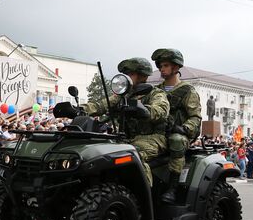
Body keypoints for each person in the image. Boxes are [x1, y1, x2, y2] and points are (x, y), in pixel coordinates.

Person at [81, 57, 169, 187]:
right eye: (126, 74)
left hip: (153, 137)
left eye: (131, 74)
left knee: (135, 154)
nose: (127, 77)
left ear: (143, 75)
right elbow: (102, 105)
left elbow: (161, 111)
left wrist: (144, 110)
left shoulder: (156, 93)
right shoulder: (123, 95)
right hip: (127, 138)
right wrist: (79, 109)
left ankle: (142, 195)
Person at [152, 48, 202, 203]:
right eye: (160, 66)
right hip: (157, 133)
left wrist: (184, 128)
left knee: (176, 140)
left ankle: (172, 188)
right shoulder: (155, 90)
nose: (162, 69)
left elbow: (195, 117)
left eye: (166, 65)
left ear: (176, 67)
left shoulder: (187, 91)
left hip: (179, 134)